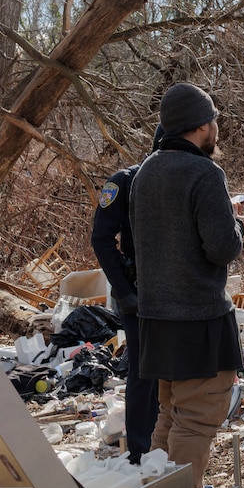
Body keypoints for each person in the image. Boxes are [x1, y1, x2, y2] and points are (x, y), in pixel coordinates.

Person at [130, 82, 244, 488]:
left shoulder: (146, 171)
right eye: (213, 120)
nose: (216, 127)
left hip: (156, 317)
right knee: (197, 419)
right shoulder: (205, 172)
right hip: (198, 319)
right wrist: (237, 224)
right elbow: (222, 248)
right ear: (200, 125)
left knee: (170, 415)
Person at [90, 126, 164, 463]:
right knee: (144, 368)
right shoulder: (125, 181)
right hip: (135, 291)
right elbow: (101, 239)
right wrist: (124, 290)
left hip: (173, 290)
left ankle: (164, 441)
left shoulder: (181, 179)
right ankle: (140, 448)